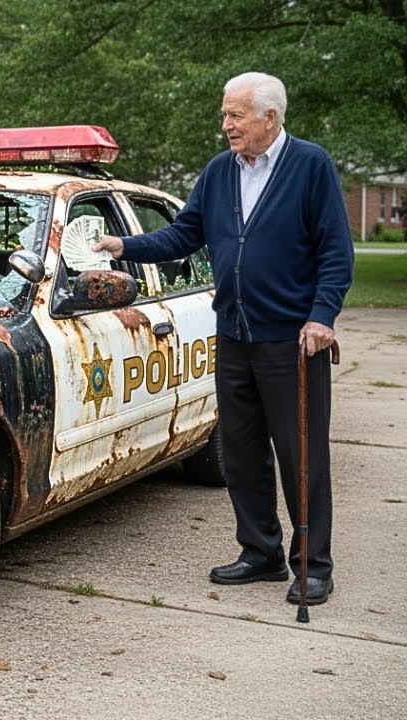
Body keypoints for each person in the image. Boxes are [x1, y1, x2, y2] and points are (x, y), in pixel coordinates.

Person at [94, 72, 353, 605]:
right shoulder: (218, 173)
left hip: (294, 342)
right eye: (224, 114)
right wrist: (124, 245)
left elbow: (335, 252)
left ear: (270, 118)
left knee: (301, 456)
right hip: (234, 335)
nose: (226, 124)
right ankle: (261, 553)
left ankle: (312, 566)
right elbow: (183, 234)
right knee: (241, 452)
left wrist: (322, 316)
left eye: (235, 115)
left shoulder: (310, 166)